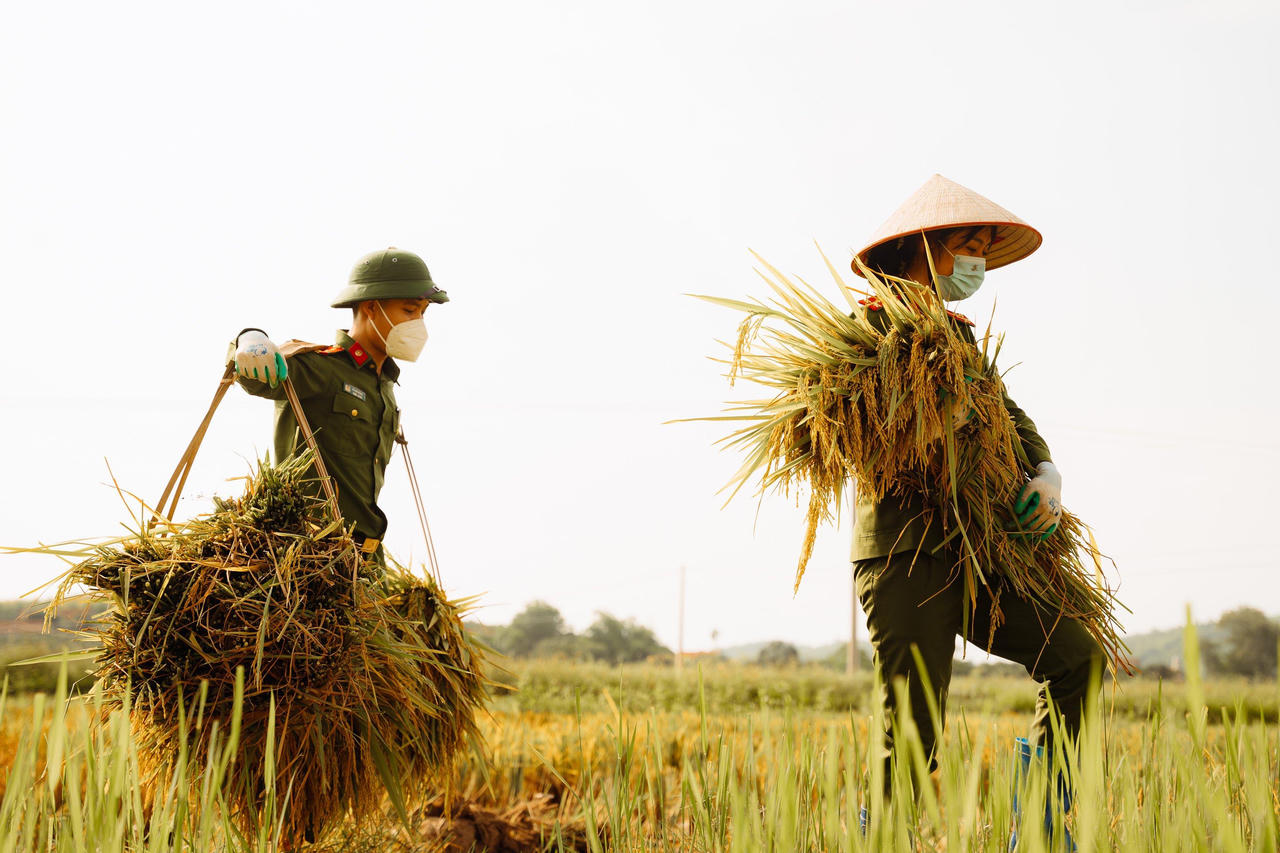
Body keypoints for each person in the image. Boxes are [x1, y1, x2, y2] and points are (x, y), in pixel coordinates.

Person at [850, 175, 1099, 840]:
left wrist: (1046, 470)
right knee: (913, 727)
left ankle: (1042, 826)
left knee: (1076, 656)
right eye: (967, 244)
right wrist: (930, 421)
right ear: (924, 247)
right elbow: (857, 429)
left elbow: (1009, 415)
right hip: (907, 551)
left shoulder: (962, 337)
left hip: (983, 547)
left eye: (985, 249)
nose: (977, 262)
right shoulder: (865, 329)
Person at [228, 247, 448, 559]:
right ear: (372, 308)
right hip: (312, 556)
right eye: (410, 311)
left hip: (364, 556)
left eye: (423, 313)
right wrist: (249, 338)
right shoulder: (322, 367)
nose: (418, 323)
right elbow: (256, 374)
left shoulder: (384, 384)